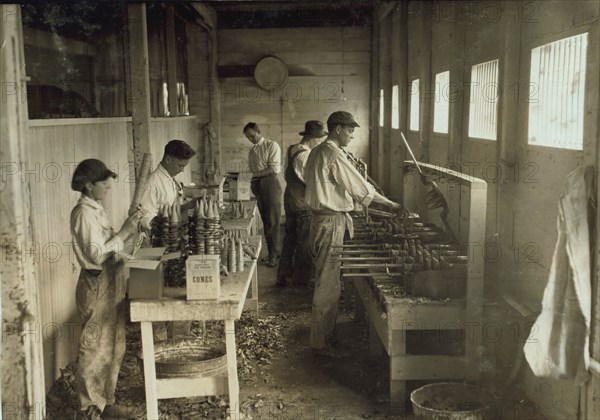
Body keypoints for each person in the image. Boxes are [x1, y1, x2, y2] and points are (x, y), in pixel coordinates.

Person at [305, 111, 404, 353]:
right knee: (328, 284)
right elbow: (362, 190)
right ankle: (321, 343)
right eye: (349, 131)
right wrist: (391, 205)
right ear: (337, 129)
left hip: (320, 221)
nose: (351, 136)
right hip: (330, 222)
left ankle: (323, 336)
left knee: (326, 280)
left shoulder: (317, 151)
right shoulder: (333, 154)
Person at [70, 159, 141, 420]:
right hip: (96, 282)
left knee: (114, 344)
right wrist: (123, 233)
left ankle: (107, 403)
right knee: (94, 349)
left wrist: (129, 240)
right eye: (104, 184)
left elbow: (111, 244)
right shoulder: (83, 213)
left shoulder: (97, 208)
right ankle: (89, 408)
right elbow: (97, 254)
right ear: (89, 185)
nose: (108, 188)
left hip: (112, 278)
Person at [137, 139, 197, 341]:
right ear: (168, 159)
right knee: (161, 292)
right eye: (180, 165)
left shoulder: (170, 179)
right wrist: (167, 228)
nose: (181, 170)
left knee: (176, 287)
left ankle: (177, 334)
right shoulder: (154, 182)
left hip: (172, 242)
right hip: (158, 244)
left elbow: (170, 211)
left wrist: (188, 207)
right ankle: (160, 337)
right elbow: (144, 216)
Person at [276, 120, 327, 288]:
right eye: (319, 139)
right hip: (301, 200)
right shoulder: (305, 155)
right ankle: (301, 280)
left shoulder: (292, 149)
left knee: (290, 237)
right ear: (311, 138)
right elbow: (310, 180)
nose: (320, 143)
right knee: (304, 240)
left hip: (290, 196)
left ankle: (283, 274)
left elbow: (286, 173)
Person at [244, 122, 283, 267]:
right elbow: (252, 170)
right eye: (248, 137)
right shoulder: (252, 151)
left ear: (259, 132)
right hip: (258, 185)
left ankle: (273, 256)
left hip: (270, 184)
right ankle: (274, 252)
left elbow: (273, 169)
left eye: (252, 136)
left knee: (273, 221)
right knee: (266, 221)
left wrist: (252, 175)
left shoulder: (271, 146)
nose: (251, 139)